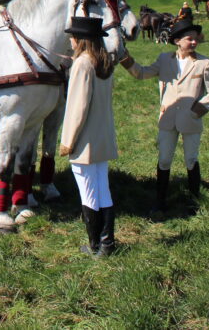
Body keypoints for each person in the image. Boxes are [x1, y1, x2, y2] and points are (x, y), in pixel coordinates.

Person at [120, 19, 209, 215]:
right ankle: (160, 200)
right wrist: (125, 59)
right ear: (177, 41)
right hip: (167, 118)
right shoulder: (165, 59)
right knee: (164, 159)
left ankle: (193, 201)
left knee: (191, 159)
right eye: (189, 39)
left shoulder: (204, 63)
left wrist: (197, 110)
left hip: (190, 119)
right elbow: (142, 73)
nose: (194, 42)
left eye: (195, 39)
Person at [59, 16, 118, 257]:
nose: (71, 41)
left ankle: (95, 245)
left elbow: (77, 107)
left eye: (73, 37)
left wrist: (68, 141)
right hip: (103, 135)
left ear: (81, 40)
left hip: (84, 138)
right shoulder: (104, 62)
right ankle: (107, 243)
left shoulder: (82, 64)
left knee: (88, 191)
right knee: (102, 188)